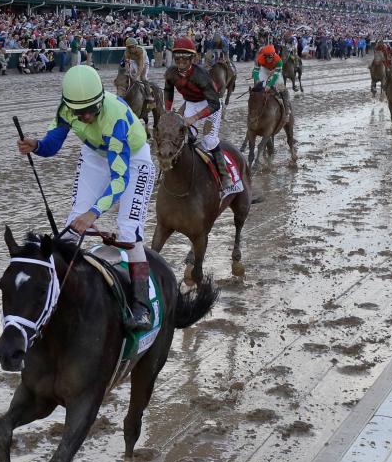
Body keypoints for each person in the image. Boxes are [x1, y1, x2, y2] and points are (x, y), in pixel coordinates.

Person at [17, 65, 156, 331]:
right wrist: (36, 145)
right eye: (81, 113)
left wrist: (94, 213)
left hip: (133, 160)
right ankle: (59, 293)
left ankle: (142, 307)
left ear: (101, 99)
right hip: (95, 155)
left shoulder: (115, 119)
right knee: (72, 227)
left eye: (92, 109)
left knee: (128, 231)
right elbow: (53, 144)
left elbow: (119, 181)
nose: (87, 116)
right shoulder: (67, 108)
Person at [163, 37, 234, 196]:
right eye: (177, 58)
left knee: (208, 140)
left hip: (210, 104)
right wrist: (167, 112)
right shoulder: (171, 73)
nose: (180, 61)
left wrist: (194, 118)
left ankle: (224, 175)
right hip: (190, 103)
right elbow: (168, 91)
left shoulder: (200, 75)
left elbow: (215, 103)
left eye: (185, 58)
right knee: (184, 137)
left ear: (192, 58)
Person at [253, 42, 292, 112]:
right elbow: (255, 71)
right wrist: (257, 80)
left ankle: (287, 108)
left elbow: (276, 76)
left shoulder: (279, 61)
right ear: (263, 55)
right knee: (259, 86)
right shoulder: (259, 59)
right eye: (266, 57)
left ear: (274, 55)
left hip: (275, 70)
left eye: (270, 57)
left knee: (281, 87)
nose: (268, 59)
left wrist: (269, 85)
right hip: (264, 69)